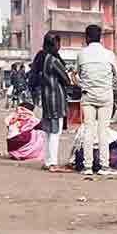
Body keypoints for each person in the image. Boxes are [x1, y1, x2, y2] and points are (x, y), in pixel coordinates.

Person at [76, 24, 117, 178]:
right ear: (100, 38)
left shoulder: (81, 54)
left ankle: (87, 167)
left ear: (86, 37)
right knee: (103, 130)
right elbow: (116, 78)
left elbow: (78, 75)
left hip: (88, 95)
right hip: (106, 95)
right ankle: (104, 165)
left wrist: (85, 85)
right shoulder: (109, 54)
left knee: (88, 130)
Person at [38, 33, 70, 173]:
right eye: (58, 43)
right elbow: (66, 79)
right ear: (54, 44)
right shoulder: (53, 60)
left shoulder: (43, 58)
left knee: (48, 132)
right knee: (55, 132)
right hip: (56, 99)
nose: (59, 46)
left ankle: (47, 161)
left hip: (46, 99)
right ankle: (53, 163)